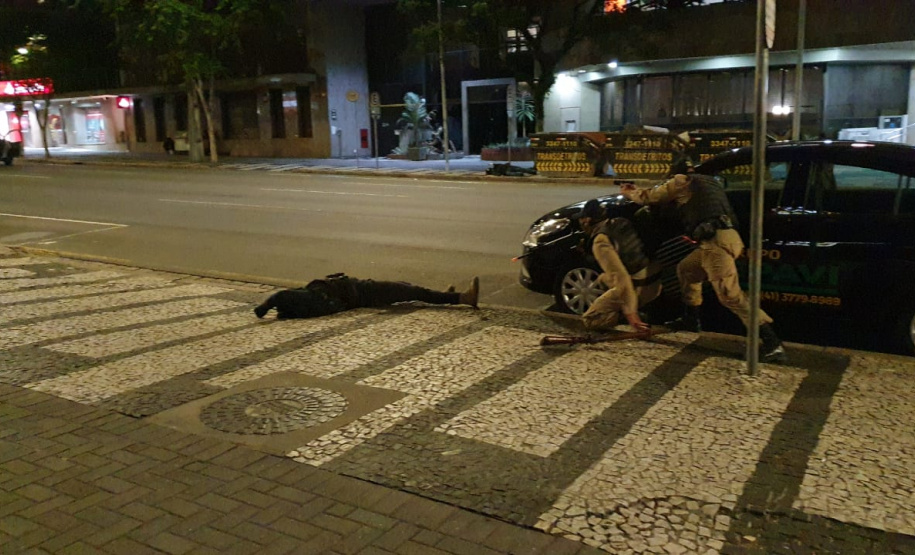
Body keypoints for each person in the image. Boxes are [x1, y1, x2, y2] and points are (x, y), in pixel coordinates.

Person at [619, 158, 787, 362]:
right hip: (727, 238)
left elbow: (651, 197)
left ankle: (772, 343)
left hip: (715, 244)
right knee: (687, 269)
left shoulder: (681, 181)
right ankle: (691, 318)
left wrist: (630, 192)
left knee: (730, 296)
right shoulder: (709, 182)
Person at [574, 199, 663, 333]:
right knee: (603, 278)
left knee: (590, 320)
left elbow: (622, 278)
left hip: (639, 286)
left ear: (587, 220)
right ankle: (631, 306)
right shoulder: (620, 222)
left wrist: (631, 314)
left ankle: (627, 315)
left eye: (581, 219)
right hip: (655, 280)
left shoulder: (600, 241)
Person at [254, 273, 479, 319]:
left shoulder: (303, 302)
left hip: (361, 289)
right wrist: (265, 306)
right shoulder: (308, 301)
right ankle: (462, 298)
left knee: (406, 288)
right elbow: (275, 298)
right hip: (364, 292)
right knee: (410, 290)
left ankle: (442, 296)